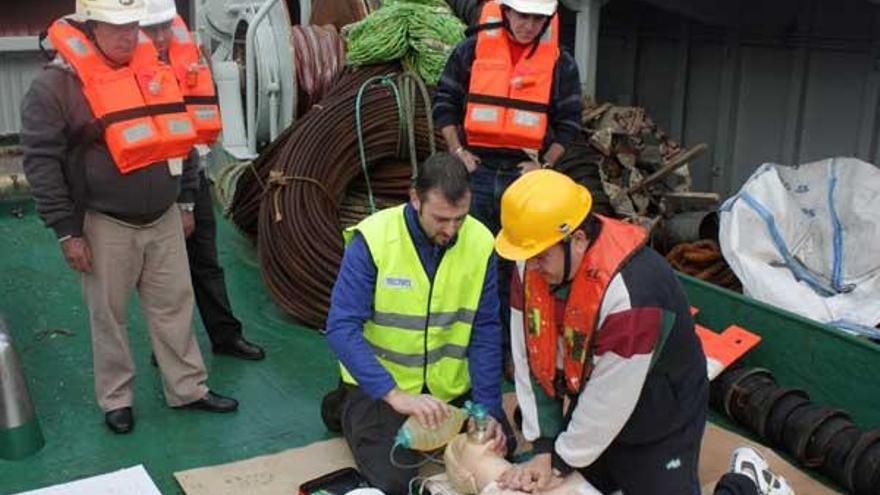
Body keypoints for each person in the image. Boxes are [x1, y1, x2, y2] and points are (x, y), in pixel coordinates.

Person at [20, 0, 237, 434]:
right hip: (104, 223)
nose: (128, 35)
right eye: (116, 27)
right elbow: (41, 162)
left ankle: (188, 388)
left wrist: (186, 201)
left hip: (164, 218)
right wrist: (66, 232)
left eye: (133, 25)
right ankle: (116, 399)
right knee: (109, 317)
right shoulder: (54, 88)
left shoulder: (155, 69)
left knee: (176, 306)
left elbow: (182, 139)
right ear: (90, 27)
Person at [493, 170, 708, 494]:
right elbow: (530, 358)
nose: (531, 266)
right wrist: (543, 445)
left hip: (661, 407)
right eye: (526, 256)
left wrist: (559, 460)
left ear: (577, 240)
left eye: (540, 256)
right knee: (582, 476)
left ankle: (746, 482)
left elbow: (611, 398)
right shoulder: (532, 263)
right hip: (593, 392)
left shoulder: (634, 294)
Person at [325, 153, 508, 495]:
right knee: (394, 484)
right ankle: (345, 405)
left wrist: (489, 408)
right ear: (414, 198)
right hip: (384, 389)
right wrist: (393, 394)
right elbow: (340, 327)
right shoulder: (375, 239)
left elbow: (485, 329)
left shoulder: (481, 241)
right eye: (441, 218)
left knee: (498, 448)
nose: (451, 230)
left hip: (448, 391)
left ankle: (350, 408)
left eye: (460, 218)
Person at [433, 0, 582, 370]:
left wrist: (543, 165)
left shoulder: (560, 62)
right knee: (467, 262)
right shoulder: (471, 50)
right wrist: (458, 151)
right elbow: (445, 102)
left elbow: (570, 123)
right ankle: (459, 350)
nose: (528, 25)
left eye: (536, 18)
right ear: (506, 12)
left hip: (523, 178)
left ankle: (510, 353)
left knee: (518, 270)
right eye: (522, 15)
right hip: (477, 171)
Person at [139, 0, 264, 361]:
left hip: (191, 176)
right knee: (161, 276)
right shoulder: (127, 72)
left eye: (165, 27)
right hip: (151, 184)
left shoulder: (187, 55)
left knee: (206, 262)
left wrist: (189, 201)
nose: (161, 37)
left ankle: (225, 336)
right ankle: (164, 348)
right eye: (151, 30)